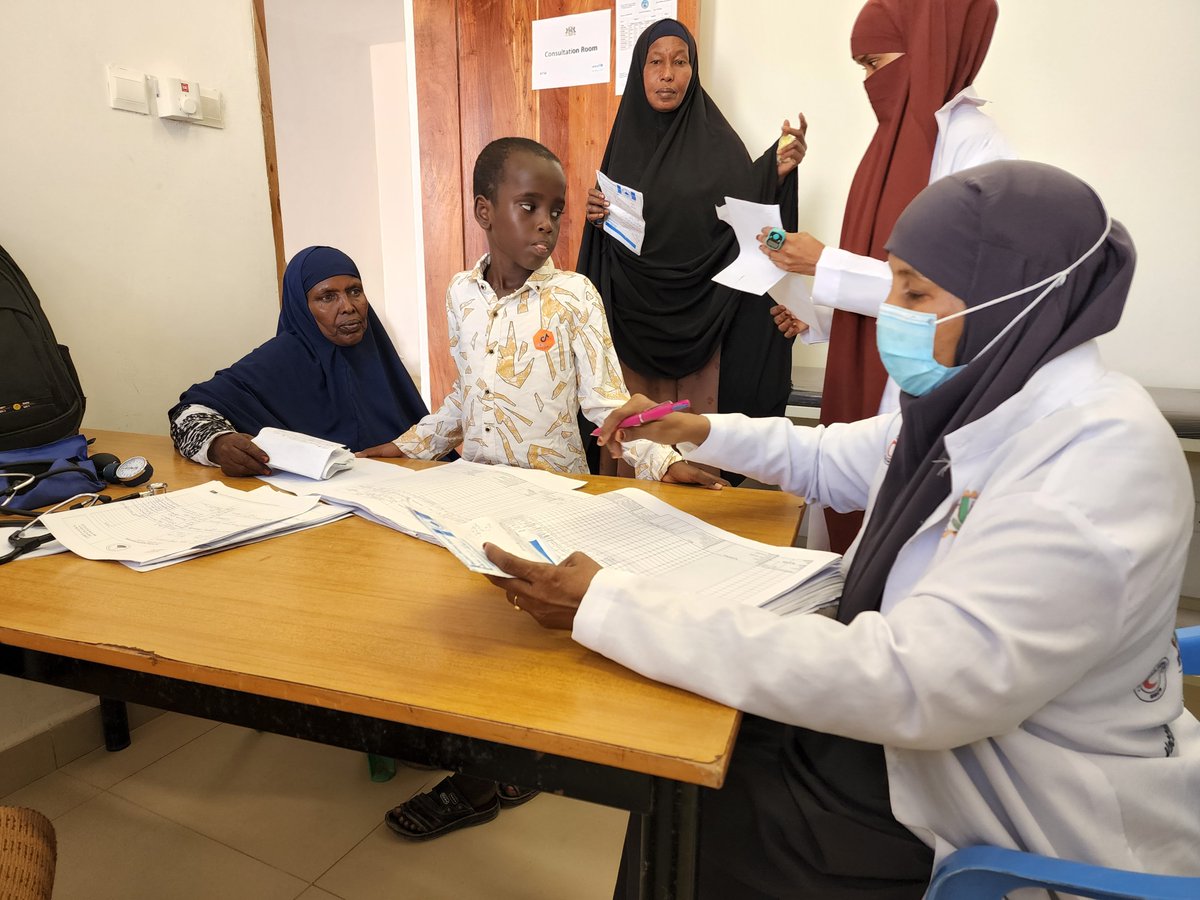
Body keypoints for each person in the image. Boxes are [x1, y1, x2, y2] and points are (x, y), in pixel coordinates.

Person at [482, 161, 1200, 897]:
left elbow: (912, 684)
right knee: (689, 772)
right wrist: (698, 429)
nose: (893, 310)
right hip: (918, 742)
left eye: (915, 292)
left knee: (700, 816)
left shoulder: (1093, 468)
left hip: (997, 803)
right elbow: (830, 456)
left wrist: (608, 604)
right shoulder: (987, 399)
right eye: (891, 283)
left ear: (1013, 303)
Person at [363, 136, 724, 842]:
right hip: (472, 498)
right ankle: (488, 774)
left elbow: (606, 403)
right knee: (472, 644)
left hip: (552, 506)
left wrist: (661, 459)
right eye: (529, 206)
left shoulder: (573, 297)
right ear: (483, 210)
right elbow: (463, 400)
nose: (546, 225)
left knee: (526, 651)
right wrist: (406, 448)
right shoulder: (461, 296)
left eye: (556, 211)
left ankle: (492, 775)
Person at [761, 0, 1012, 552]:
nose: (870, 82)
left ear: (925, 50)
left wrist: (824, 264)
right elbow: (878, 263)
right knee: (849, 531)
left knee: (896, 547)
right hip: (866, 378)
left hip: (920, 384)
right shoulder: (888, 145)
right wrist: (816, 317)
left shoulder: (972, 144)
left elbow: (954, 294)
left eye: (875, 64)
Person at [576, 17, 806, 476]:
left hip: (706, 324)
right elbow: (615, 231)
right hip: (633, 324)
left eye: (679, 62)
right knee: (634, 448)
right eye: (656, 62)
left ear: (692, 70)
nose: (668, 73)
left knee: (697, 452)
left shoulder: (719, 144)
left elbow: (742, 211)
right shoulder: (623, 144)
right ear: (639, 73)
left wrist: (775, 169)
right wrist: (596, 214)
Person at [169, 246, 429, 476]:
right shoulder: (283, 356)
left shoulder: (376, 356)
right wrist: (218, 444)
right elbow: (188, 413)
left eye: (354, 291)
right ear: (301, 307)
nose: (348, 306)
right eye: (327, 297)